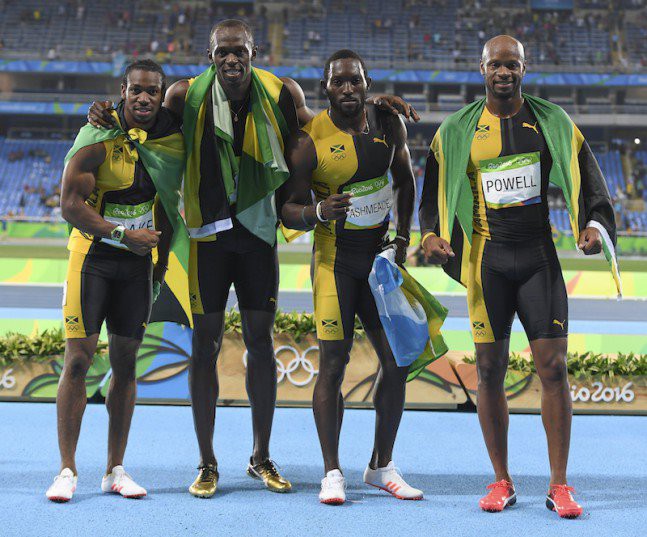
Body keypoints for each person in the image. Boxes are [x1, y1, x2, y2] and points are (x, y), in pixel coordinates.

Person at [88, 19, 419, 498]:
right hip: (207, 239)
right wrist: (107, 111)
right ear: (210, 54)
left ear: (253, 52)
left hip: (259, 234)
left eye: (238, 50)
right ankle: (206, 463)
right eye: (222, 51)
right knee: (205, 346)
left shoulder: (281, 92)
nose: (231, 58)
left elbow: (326, 125)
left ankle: (261, 457)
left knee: (261, 344)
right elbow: (143, 121)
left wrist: (373, 103)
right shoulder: (183, 96)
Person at [419, 36, 620, 519]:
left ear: (524, 68)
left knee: (553, 370)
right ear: (481, 68)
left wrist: (593, 224)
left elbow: (587, 177)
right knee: (489, 371)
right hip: (488, 262)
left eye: (511, 65)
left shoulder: (550, 122)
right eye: (495, 64)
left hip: (537, 261)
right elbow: (433, 191)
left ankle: (559, 485)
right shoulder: (456, 132)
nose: (503, 72)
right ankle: (502, 481)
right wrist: (429, 234)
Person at [282, 50, 422, 505]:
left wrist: (401, 241)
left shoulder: (388, 124)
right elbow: (286, 209)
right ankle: (332, 472)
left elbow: (405, 181)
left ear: (366, 84)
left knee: (397, 361)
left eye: (355, 81)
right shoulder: (308, 142)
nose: (347, 89)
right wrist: (317, 211)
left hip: (379, 265)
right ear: (325, 88)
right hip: (335, 263)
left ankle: (382, 465)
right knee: (334, 364)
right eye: (338, 82)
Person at [47, 59, 185, 502]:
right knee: (78, 362)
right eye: (136, 90)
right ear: (122, 91)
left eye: (152, 92)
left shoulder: (168, 140)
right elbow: (70, 204)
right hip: (92, 259)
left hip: (138, 267)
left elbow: (164, 202)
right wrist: (123, 234)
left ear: (161, 96)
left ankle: (115, 469)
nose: (144, 98)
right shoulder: (96, 137)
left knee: (126, 366)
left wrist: (159, 266)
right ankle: (67, 470)